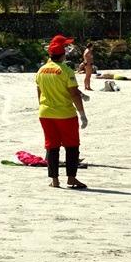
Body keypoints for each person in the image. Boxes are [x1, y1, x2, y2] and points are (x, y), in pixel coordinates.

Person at [36, 34, 89, 189]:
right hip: (65, 114)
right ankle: (71, 179)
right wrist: (82, 114)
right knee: (72, 146)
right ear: (63, 54)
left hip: (45, 113)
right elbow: (73, 93)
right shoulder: (66, 70)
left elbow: (39, 93)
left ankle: (55, 180)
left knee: (51, 146)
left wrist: (43, 107)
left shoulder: (41, 70)